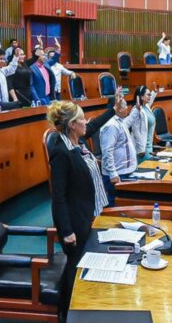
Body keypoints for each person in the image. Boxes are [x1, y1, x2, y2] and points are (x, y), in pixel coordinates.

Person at [46, 88, 125, 315]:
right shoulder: (61, 152)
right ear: (72, 125)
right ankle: (68, 312)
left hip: (87, 212)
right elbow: (58, 196)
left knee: (85, 261)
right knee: (75, 265)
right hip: (75, 221)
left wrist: (113, 108)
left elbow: (94, 125)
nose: (86, 122)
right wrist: (66, 230)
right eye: (82, 119)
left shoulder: (76, 139)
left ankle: (82, 307)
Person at [99, 95, 145, 206]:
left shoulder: (119, 121)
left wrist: (137, 109)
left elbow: (129, 121)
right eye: (124, 106)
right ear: (118, 108)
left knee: (124, 204)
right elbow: (107, 151)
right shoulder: (111, 125)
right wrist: (112, 174)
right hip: (117, 175)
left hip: (124, 172)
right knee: (116, 205)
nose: (127, 108)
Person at [131, 85, 157, 159]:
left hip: (149, 147)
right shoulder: (136, 110)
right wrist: (141, 150)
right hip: (142, 150)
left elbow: (150, 100)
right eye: (148, 95)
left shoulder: (146, 106)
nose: (150, 96)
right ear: (141, 97)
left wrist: (154, 92)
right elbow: (135, 131)